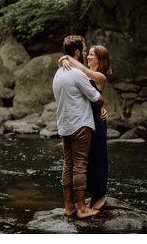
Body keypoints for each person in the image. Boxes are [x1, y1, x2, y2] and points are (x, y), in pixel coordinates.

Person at [52, 35, 103, 219]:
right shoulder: (77, 73)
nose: (85, 53)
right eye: (84, 49)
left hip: (64, 126)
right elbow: (97, 98)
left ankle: (68, 207)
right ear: (77, 52)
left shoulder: (58, 73)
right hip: (80, 125)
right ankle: (82, 208)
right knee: (80, 166)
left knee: (68, 165)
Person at [59, 44, 113, 213]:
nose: (88, 57)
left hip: (96, 121)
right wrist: (63, 59)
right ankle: (85, 199)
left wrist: (67, 58)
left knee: (98, 158)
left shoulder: (100, 76)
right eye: (87, 53)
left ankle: (99, 196)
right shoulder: (81, 72)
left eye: (92, 55)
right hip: (85, 119)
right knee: (85, 161)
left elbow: (85, 74)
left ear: (100, 60)